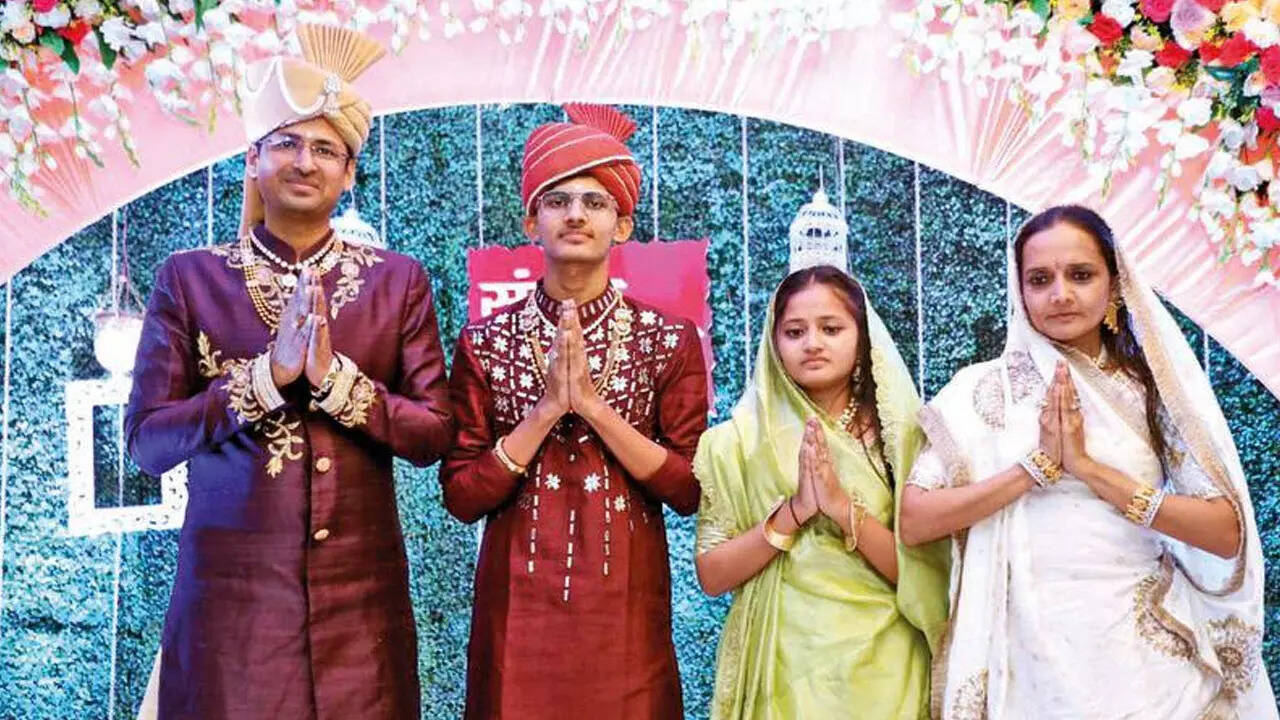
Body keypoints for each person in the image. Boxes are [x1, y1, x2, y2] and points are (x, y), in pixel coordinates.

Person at [125, 24, 453, 719]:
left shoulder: (397, 281)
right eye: (287, 143)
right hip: (231, 612)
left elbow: (433, 435)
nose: (306, 162)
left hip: (361, 608)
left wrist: (338, 383)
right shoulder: (191, 280)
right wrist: (261, 384)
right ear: (253, 159)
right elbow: (147, 444)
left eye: (326, 149)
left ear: (349, 173)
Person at [899, 205, 1276, 719]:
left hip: (1144, 663)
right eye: (1040, 280)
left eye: (1080, 275)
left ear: (1115, 286)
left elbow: (1225, 532)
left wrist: (1090, 470)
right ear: (1019, 291)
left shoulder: (1152, 392)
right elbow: (916, 520)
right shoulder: (982, 391)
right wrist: (1033, 470)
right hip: (1027, 661)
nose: (1060, 294)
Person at [440, 103, 708, 719]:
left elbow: (690, 488)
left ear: (622, 225)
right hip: (517, 614)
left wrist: (591, 406)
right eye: (557, 200)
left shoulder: (668, 339)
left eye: (595, 202)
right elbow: (461, 495)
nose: (576, 215)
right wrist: (543, 413)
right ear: (531, 220)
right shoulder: (485, 341)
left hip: (625, 616)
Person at [693, 263, 948, 719]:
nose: (812, 343)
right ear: (773, 343)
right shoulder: (734, 445)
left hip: (887, 668)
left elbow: (927, 577)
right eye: (794, 332)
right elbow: (712, 575)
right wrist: (793, 513)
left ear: (862, 338)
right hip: (782, 667)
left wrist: (840, 507)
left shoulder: (902, 440)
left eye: (831, 329)